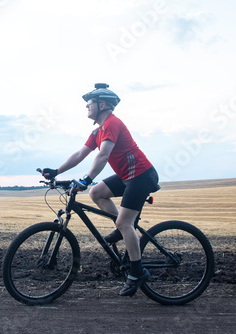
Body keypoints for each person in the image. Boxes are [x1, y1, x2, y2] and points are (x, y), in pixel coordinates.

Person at [41, 83, 159, 297]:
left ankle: (137, 272)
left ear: (101, 104)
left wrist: (86, 179)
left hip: (141, 176)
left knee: (125, 222)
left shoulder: (112, 123)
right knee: (96, 193)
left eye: (89, 103)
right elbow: (79, 155)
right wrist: (56, 171)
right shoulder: (98, 130)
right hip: (127, 176)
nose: (86, 107)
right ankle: (123, 230)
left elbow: (103, 155)